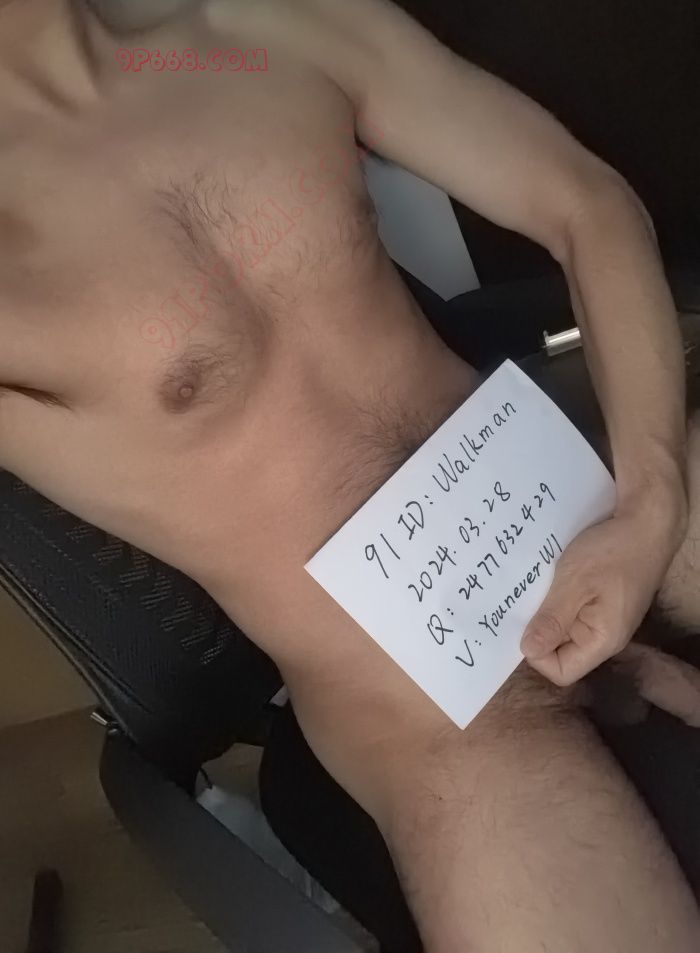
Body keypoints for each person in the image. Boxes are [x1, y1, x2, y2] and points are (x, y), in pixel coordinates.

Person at [0, 0, 698, 949]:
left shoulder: (261, 23)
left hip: (584, 499)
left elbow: (584, 202)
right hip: (433, 719)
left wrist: (652, 505)